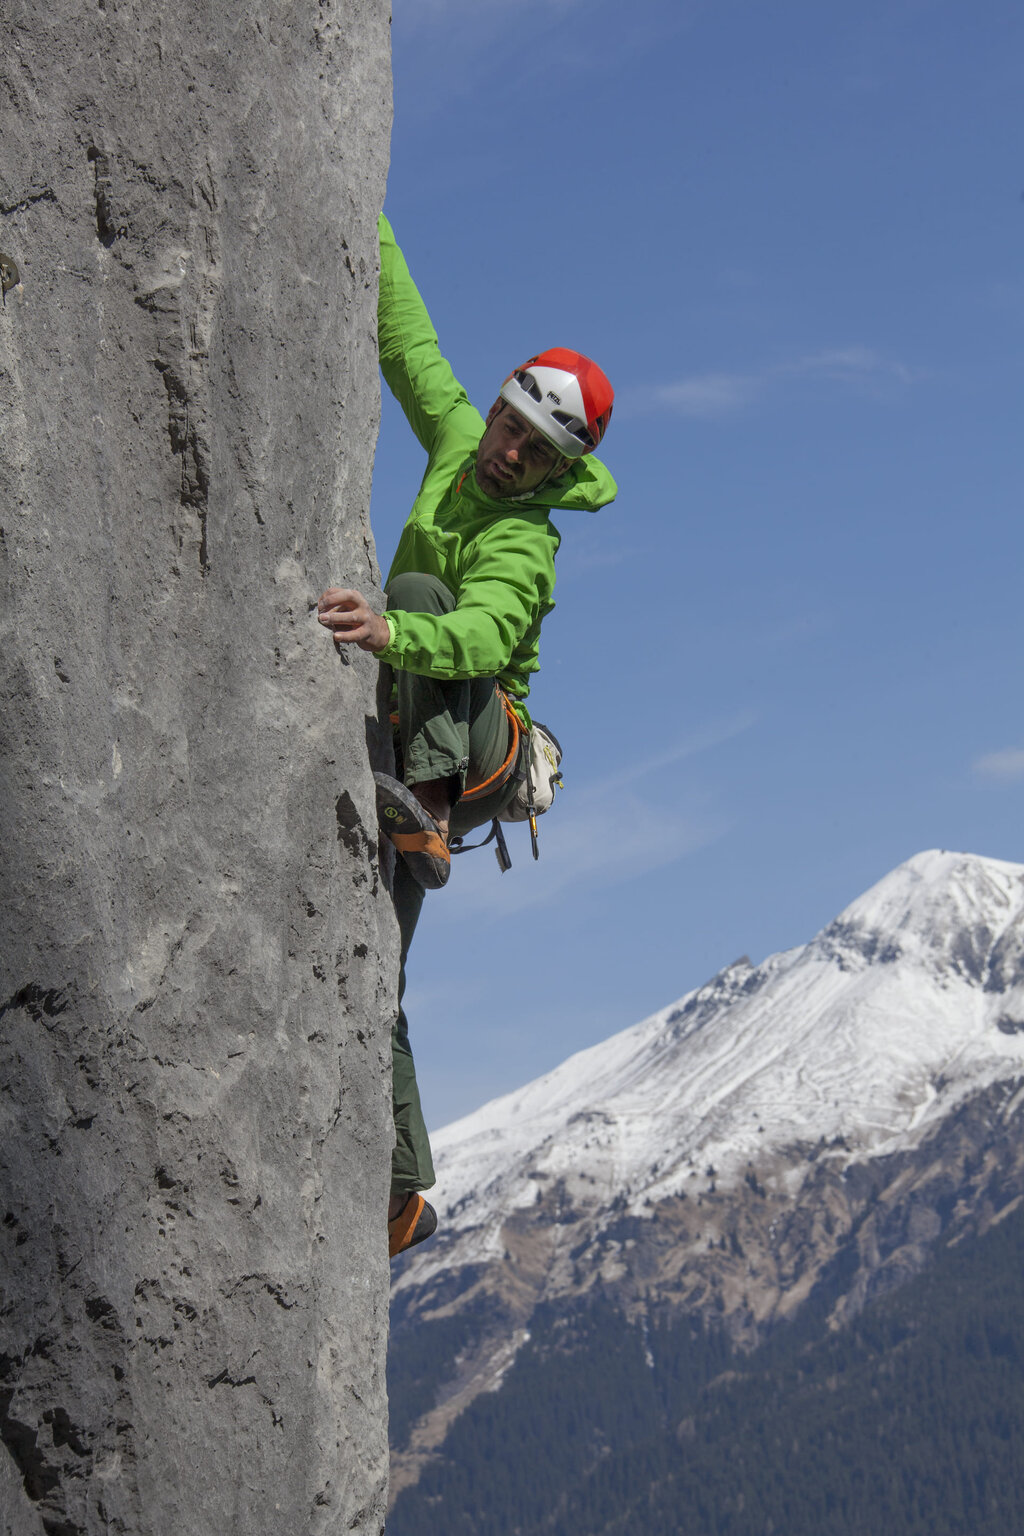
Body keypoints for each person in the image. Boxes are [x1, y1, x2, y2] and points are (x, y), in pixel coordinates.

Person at [318, 214, 617, 1257]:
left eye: (532, 454)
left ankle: (428, 816)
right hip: (414, 739)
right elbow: (408, 350)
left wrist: (393, 629)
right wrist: (368, 213)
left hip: (476, 751)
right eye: (506, 427)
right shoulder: (456, 445)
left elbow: (487, 629)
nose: (506, 453)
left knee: (416, 584)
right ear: (493, 410)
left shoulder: (527, 539)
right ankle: (403, 1198)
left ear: (552, 476)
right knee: (376, 976)